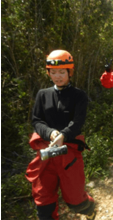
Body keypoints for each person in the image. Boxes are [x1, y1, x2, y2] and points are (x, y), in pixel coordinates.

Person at [25, 50, 96, 220]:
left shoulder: (79, 96)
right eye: (53, 72)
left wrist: (63, 135)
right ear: (48, 72)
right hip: (46, 154)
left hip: (69, 154)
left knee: (76, 203)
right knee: (43, 205)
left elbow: (78, 122)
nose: (57, 76)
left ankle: (90, 209)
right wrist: (50, 133)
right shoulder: (43, 94)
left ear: (69, 72)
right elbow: (36, 120)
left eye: (62, 72)